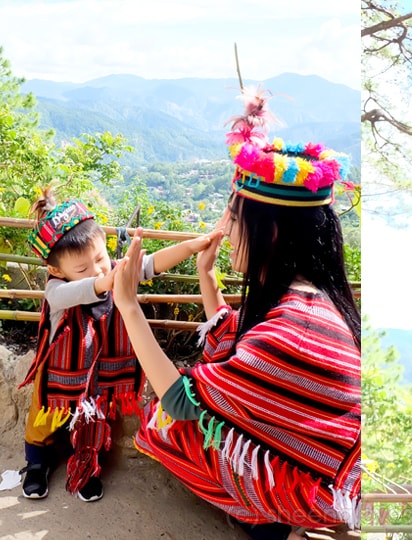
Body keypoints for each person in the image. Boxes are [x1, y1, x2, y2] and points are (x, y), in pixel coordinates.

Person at [110, 90, 361, 540]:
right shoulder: (308, 297)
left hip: (319, 488)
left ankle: (267, 515)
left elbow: (183, 401)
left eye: (237, 218)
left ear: (274, 232)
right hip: (327, 465)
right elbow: (237, 340)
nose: (228, 229)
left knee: (171, 427)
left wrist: (128, 305)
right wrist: (206, 277)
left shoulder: (291, 331)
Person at [19, 190, 216, 501]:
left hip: (100, 372)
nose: (97, 269)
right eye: (82, 269)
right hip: (60, 372)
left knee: (95, 419)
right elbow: (84, 290)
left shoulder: (111, 270)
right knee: (43, 420)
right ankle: (35, 464)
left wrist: (192, 246)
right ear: (56, 270)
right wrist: (103, 281)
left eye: (99, 258)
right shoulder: (56, 290)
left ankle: (84, 466)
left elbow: (150, 264)